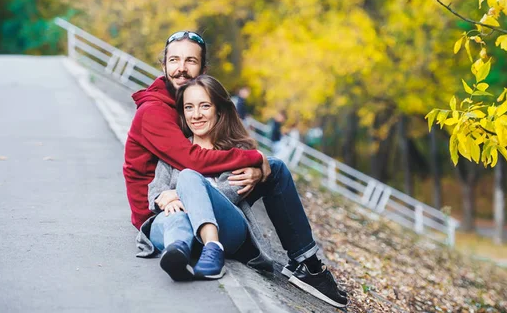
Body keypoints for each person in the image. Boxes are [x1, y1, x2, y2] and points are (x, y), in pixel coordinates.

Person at [124, 30, 347, 307]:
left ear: (203, 70)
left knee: (273, 169)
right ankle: (180, 250)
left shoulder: (184, 109)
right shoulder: (156, 112)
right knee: (236, 173)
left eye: (190, 61)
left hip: (204, 197)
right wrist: (252, 159)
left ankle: (307, 264)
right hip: (160, 212)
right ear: (164, 65)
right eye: (174, 60)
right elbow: (189, 162)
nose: (181, 68)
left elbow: (209, 166)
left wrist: (252, 165)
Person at [139, 75, 273, 281]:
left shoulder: (237, 151)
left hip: (226, 229)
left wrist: (181, 193)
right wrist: (165, 200)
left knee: (187, 176)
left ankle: (213, 248)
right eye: (189, 108)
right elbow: (155, 194)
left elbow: (232, 193)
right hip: (174, 227)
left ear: (218, 109)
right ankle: (177, 253)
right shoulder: (176, 149)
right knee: (174, 216)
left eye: (204, 106)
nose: (196, 115)